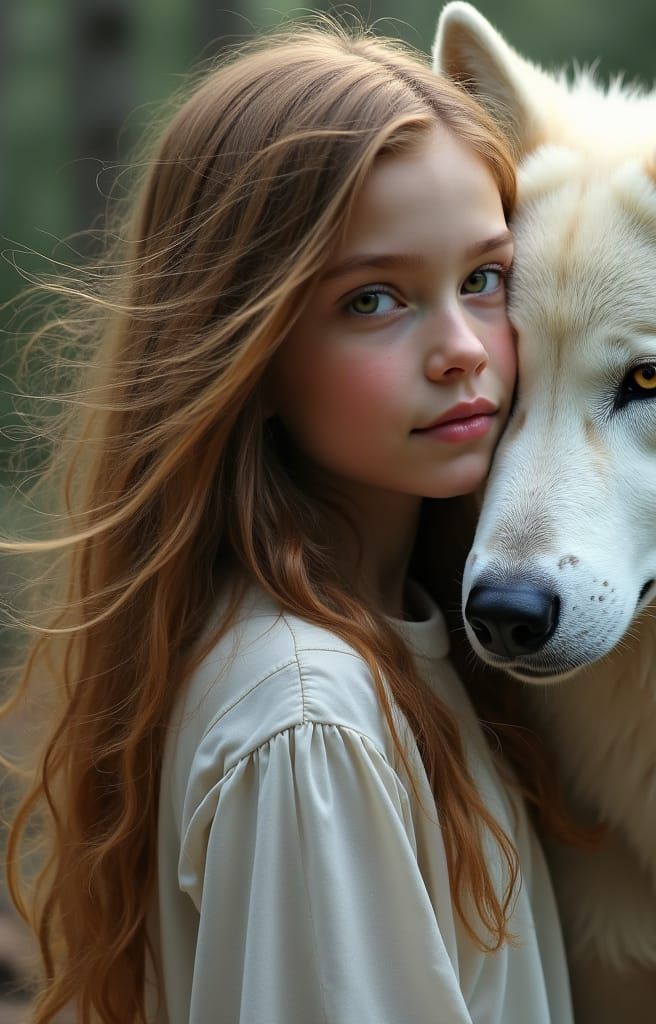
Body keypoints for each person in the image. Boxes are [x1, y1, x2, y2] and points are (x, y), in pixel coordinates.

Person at [1, 21, 589, 1024]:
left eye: (484, 279)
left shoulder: (403, 646)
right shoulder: (311, 719)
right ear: (246, 349)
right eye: (373, 299)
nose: (460, 348)